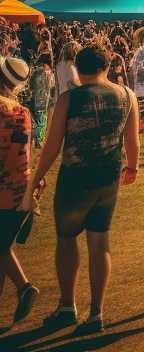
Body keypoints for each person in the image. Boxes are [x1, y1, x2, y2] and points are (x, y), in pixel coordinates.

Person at [28, 43, 140, 334]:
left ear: (77, 67)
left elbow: (53, 145)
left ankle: (67, 306)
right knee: (100, 241)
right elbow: (132, 142)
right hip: (107, 178)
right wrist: (133, 167)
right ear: (106, 67)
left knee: (66, 239)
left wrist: (37, 176)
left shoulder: (69, 99)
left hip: (75, 178)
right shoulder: (127, 95)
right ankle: (96, 312)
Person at [0, 57, 40, 324]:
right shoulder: (23, 112)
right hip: (21, 190)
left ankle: (25, 287)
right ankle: (23, 289)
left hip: (2, 189)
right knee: (3, 247)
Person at [27, 51, 55, 147]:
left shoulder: (36, 71)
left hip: (35, 99)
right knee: (41, 121)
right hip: (45, 100)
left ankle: (35, 139)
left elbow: (30, 83)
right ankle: (38, 141)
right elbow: (53, 86)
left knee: (35, 119)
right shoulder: (50, 72)